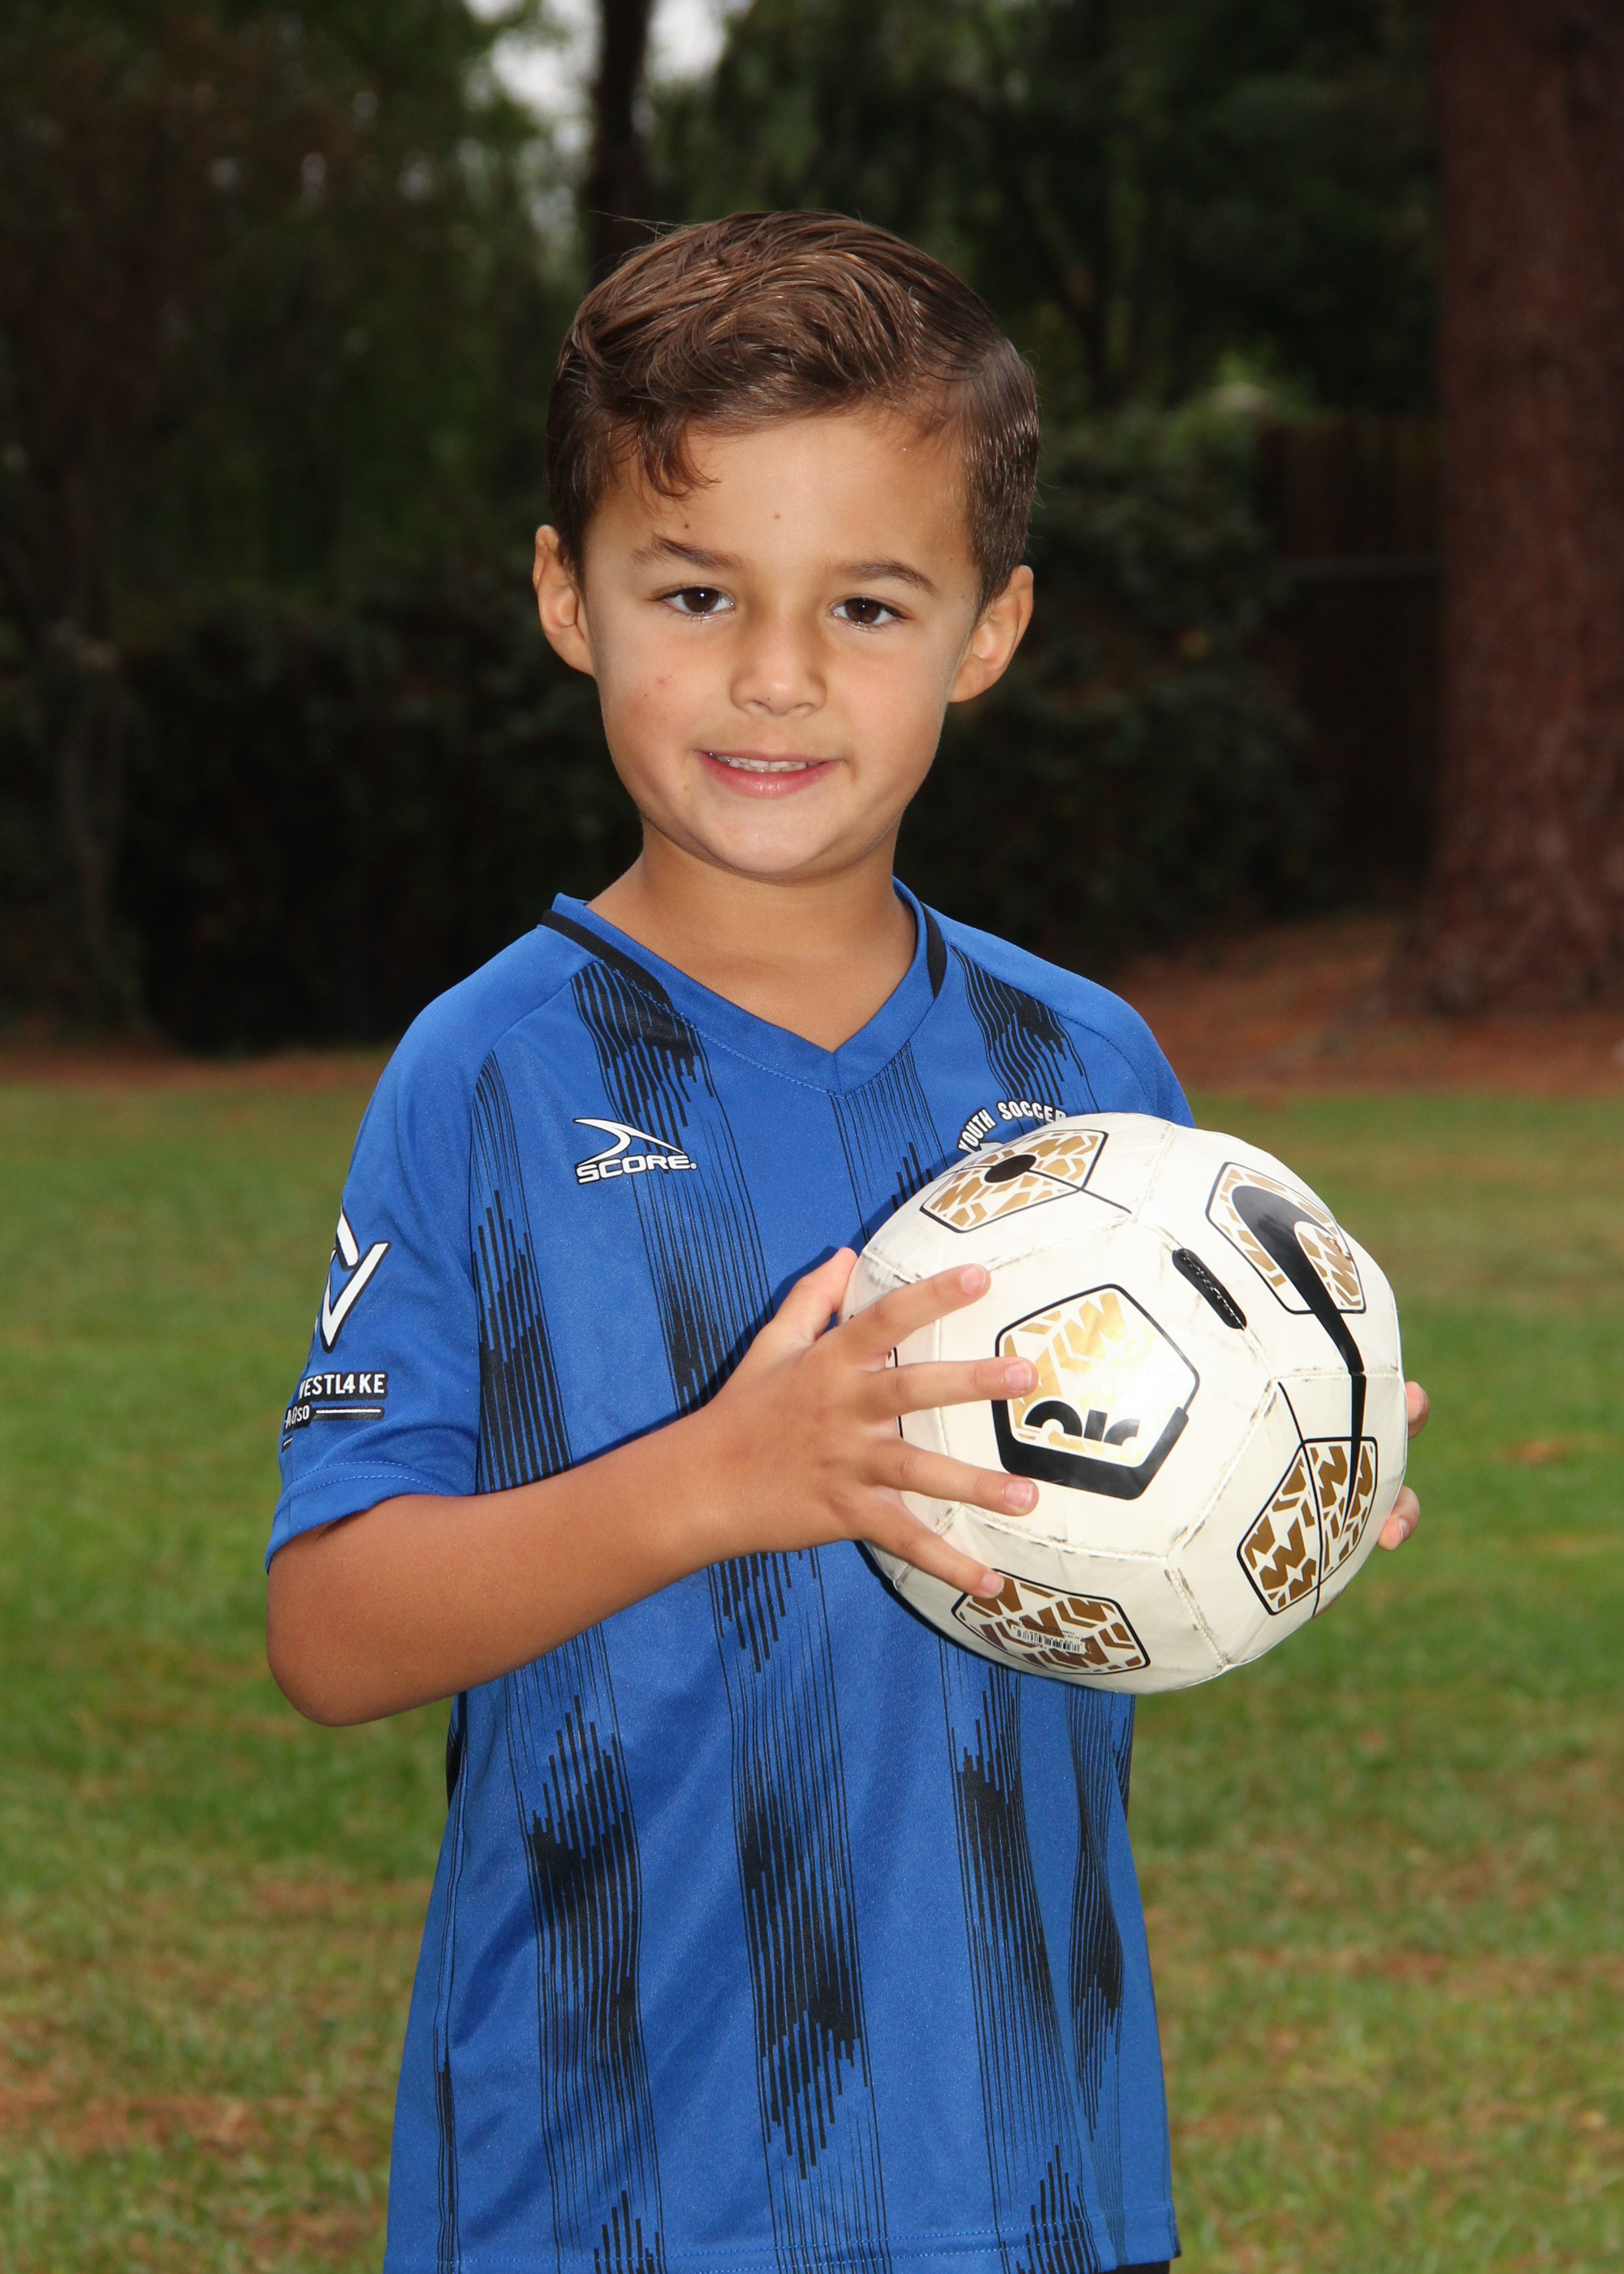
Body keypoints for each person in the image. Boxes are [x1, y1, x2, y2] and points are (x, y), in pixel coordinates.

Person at [266, 212, 1427, 2274]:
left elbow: (1100, 1567)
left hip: (1033, 2172)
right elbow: (333, 1628)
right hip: (601, 2183)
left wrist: (1281, 1482)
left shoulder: (1086, 1072)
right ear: (567, 595)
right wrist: (722, 1478)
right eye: (695, 590)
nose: (776, 673)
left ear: (990, 626)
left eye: (868, 603)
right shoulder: (485, 1078)